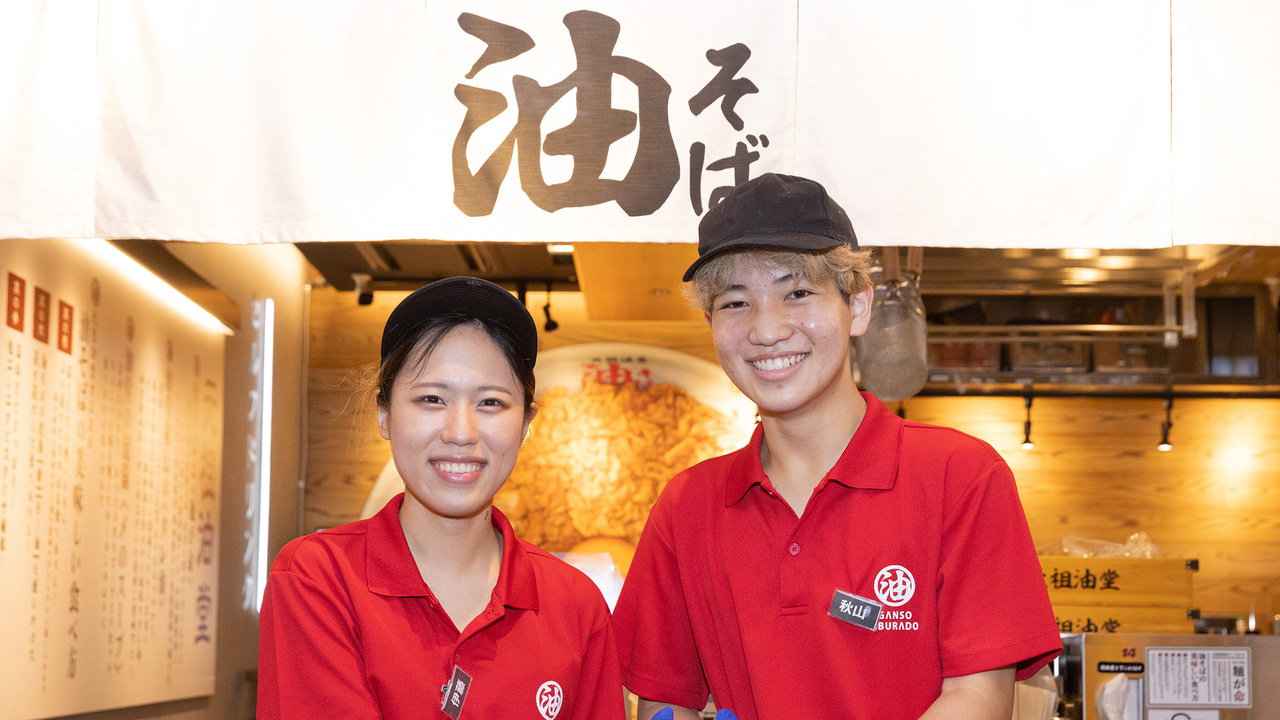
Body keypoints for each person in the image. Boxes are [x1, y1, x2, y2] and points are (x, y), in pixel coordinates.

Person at [612, 173, 1062, 720]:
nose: (767, 330)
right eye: (735, 303)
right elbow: (663, 702)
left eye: (798, 293)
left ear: (859, 306)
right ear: (711, 323)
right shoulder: (687, 506)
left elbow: (978, 698)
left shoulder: (960, 475)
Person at [259, 277, 625, 720]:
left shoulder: (576, 605)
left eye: (491, 403)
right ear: (384, 414)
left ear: (526, 424)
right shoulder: (319, 578)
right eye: (432, 399)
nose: (461, 433)